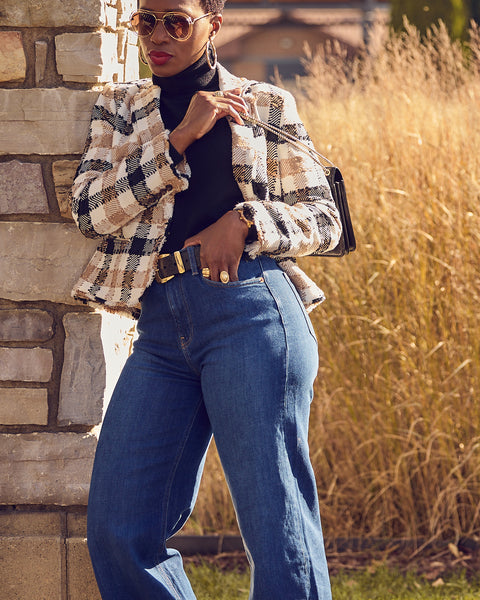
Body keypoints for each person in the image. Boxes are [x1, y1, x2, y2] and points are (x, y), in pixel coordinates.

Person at [70, 0, 342, 598]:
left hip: (252, 313)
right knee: (119, 525)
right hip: (161, 326)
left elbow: (326, 220)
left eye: (177, 21)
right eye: (147, 21)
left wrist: (245, 219)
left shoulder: (266, 105)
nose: (158, 36)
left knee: (276, 522)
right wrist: (179, 140)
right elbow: (91, 212)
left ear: (213, 24)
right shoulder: (119, 109)